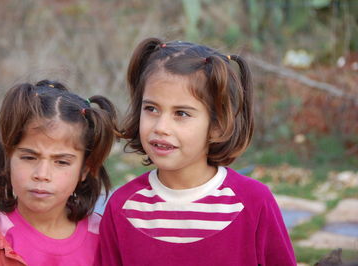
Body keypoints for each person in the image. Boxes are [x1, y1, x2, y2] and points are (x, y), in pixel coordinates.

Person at [97, 38, 296, 266]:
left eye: (181, 113)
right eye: (151, 109)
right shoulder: (122, 207)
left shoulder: (254, 203)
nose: (161, 127)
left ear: (217, 125)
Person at [0, 80, 117, 266]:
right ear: (8, 158)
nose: (42, 174)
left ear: (84, 170)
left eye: (61, 162)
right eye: (29, 158)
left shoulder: (105, 238)